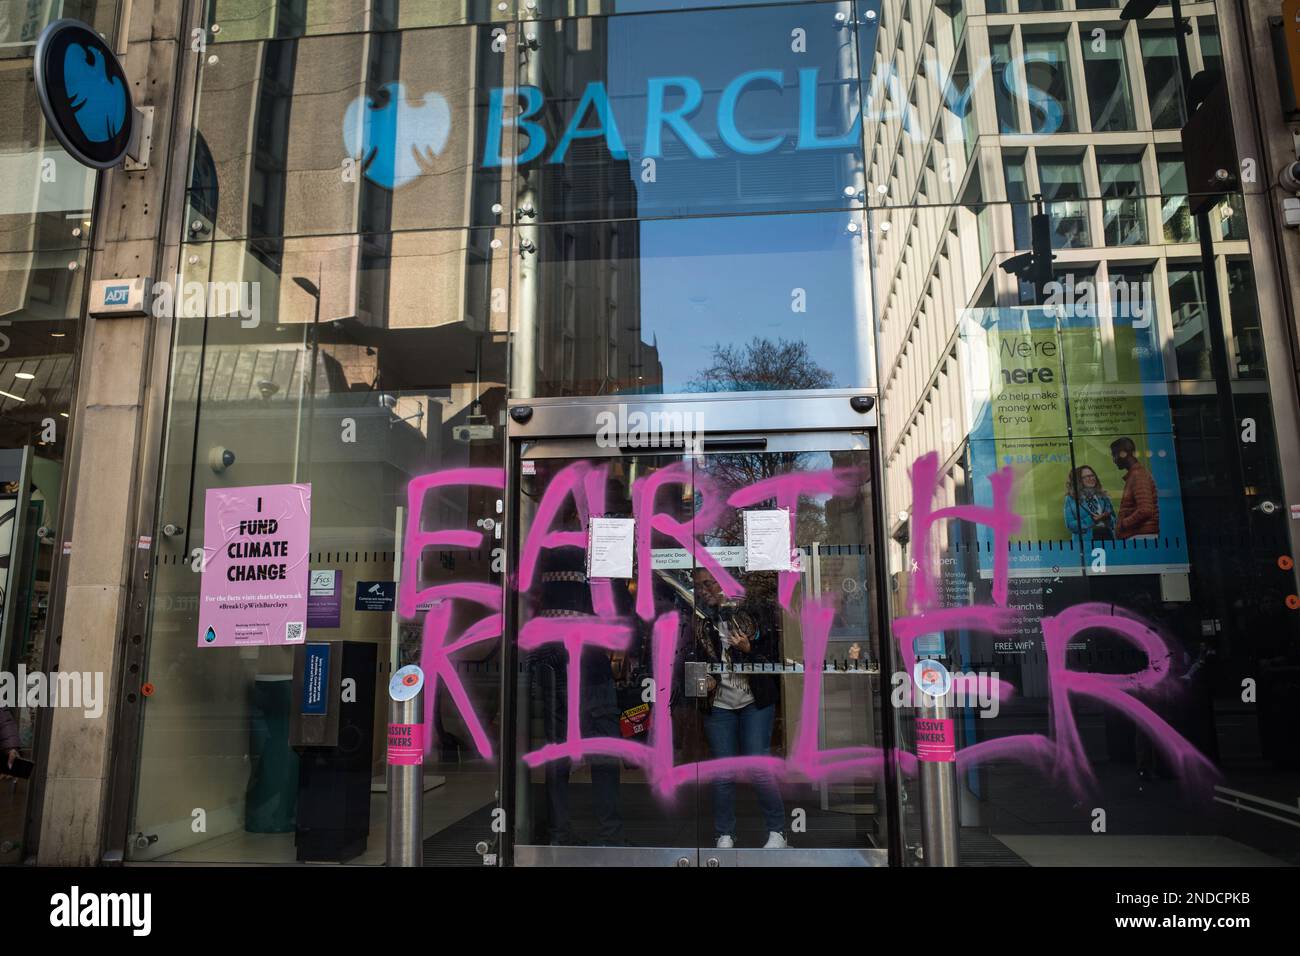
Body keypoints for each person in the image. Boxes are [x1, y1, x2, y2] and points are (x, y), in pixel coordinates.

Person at [691, 572, 786, 849]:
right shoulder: (699, 619)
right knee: (723, 772)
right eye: (698, 586)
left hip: (753, 701)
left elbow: (772, 655)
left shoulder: (751, 612)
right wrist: (703, 682)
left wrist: (748, 648)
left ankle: (778, 830)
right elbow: (691, 660)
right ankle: (725, 834)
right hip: (719, 703)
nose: (703, 590)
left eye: (708, 583)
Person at [1110, 437, 1159, 539]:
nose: (1113, 460)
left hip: (1140, 536)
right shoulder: (1136, 475)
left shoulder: (1138, 475)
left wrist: (1123, 524)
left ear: (1123, 454)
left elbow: (1145, 510)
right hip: (1140, 535)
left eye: (1114, 455)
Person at [1063, 465, 1116, 543]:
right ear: (1079, 480)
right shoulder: (1071, 499)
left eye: (1092, 475)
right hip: (1086, 541)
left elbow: (1115, 522)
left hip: (1107, 538)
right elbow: (1070, 525)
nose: (1091, 478)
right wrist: (1092, 519)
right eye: (1087, 477)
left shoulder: (1104, 497)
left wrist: (1108, 519)